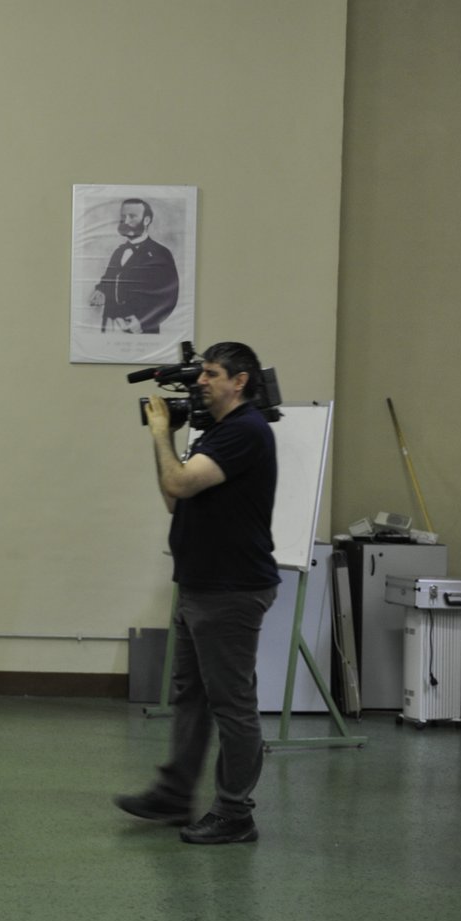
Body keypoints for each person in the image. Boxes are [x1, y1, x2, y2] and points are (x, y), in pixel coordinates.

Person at [116, 341, 279, 844]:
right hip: (200, 586)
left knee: (232, 704)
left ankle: (235, 812)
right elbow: (173, 492)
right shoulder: (216, 432)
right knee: (192, 697)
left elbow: (181, 484)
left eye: (211, 374)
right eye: (202, 372)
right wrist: (162, 438)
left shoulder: (244, 431)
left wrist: (165, 431)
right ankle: (175, 794)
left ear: (240, 381)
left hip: (231, 590)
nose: (202, 381)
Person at [89, 197, 179, 335]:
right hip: (109, 326)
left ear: (147, 220)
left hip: (140, 330)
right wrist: (101, 290)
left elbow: (169, 296)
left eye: (132, 216)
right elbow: (109, 278)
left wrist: (143, 322)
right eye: (123, 216)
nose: (125, 221)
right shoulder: (119, 252)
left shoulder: (160, 253)